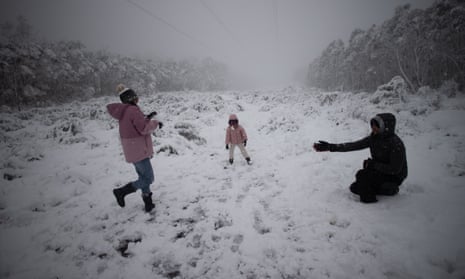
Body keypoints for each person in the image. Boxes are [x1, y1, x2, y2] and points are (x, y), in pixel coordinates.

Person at [313, 113, 407, 203]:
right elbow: (353, 146)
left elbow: (395, 169)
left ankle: (376, 197)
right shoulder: (374, 138)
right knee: (355, 187)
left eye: (376, 125)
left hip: (395, 177)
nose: (373, 127)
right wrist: (330, 147)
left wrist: (374, 165)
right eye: (372, 124)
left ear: (384, 127)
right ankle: (382, 188)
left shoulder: (396, 144)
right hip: (380, 170)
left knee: (363, 177)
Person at [106, 84, 163, 212]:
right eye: (135, 97)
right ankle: (121, 192)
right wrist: (156, 123)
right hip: (138, 150)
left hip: (132, 150)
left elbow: (135, 124)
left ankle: (148, 203)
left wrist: (147, 117)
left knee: (143, 177)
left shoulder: (126, 110)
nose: (137, 99)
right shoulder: (133, 110)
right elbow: (143, 128)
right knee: (148, 178)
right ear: (130, 99)